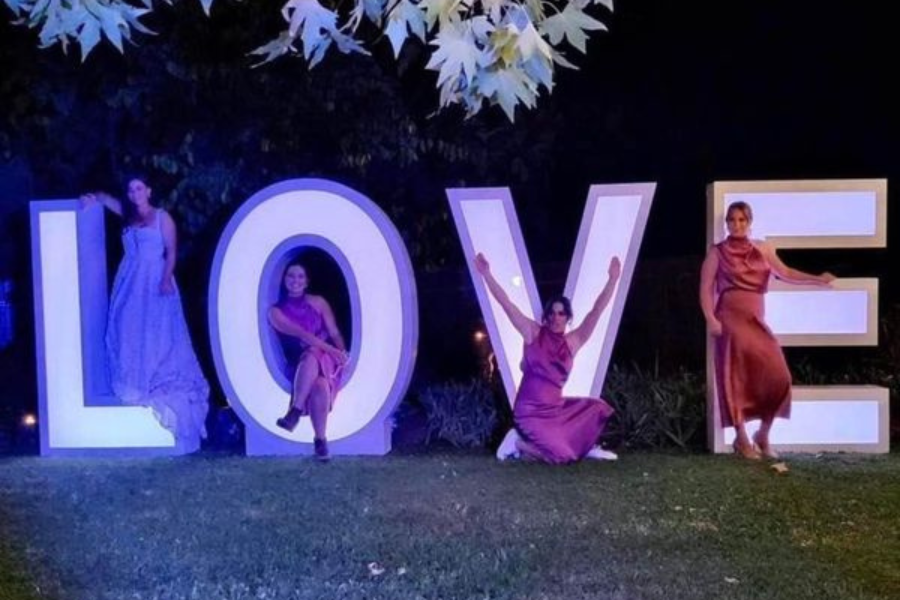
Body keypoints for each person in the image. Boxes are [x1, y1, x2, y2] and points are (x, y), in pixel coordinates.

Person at [81, 177, 209, 452]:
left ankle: (157, 382)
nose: (135, 193)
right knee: (127, 328)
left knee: (158, 332)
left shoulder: (162, 217)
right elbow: (104, 195)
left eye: (139, 188)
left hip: (155, 279)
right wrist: (91, 197)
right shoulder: (127, 213)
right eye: (130, 189)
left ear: (149, 191)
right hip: (130, 279)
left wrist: (165, 279)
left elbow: (172, 252)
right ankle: (134, 383)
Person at [700, 201, 835, 460]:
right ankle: (741, 438)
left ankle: (762, 434)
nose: (736, 225)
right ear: (727, 223)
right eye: (732, 220)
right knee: (735, 378)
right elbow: (705, 288)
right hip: (729, 320)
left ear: (750, 222)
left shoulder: (763, 248)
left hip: (756, 320)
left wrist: (817, 278)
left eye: (742, 220)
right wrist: (710, 318)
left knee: (778, 376)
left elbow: (785, 272)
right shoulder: (717, 252)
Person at [475, 252, 621, 464]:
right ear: (546, 316)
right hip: (529, 411)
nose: (556, 317)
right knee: (561, 457)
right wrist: (487, 274)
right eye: (552, 313)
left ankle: (584, 447)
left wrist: (612, 280)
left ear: (568, 318)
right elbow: (507, 305)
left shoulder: (573, 342)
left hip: (555, 410)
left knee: (597, 407)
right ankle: (516, 442)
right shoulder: (533, 332)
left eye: (561, 313)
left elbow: (596, 312)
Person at [268, 261, 348, 461]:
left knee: (313, 353)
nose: (295, 281)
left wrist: (341, 351)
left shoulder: (319, 302)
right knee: (319, 383)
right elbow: (302, 334)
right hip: (299, 362)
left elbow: (334, 332)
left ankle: (295, 411)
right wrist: (331, 349)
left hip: (327, 360)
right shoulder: (275, 312)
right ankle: (320, 441)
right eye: (291, 276)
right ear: (284, 280)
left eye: (300, 277)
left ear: (307, 282)